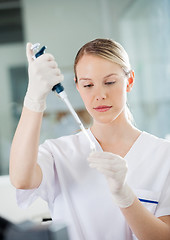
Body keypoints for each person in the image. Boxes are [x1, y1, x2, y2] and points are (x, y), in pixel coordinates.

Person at [10, 39, 170, 240]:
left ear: (129, 81)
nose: (100, 95)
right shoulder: (59, 153)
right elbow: (21, 179)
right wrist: (34, 96)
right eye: (88, 85)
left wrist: (125, 196)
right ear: (77, 86)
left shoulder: (164, 155)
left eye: (110, 82)